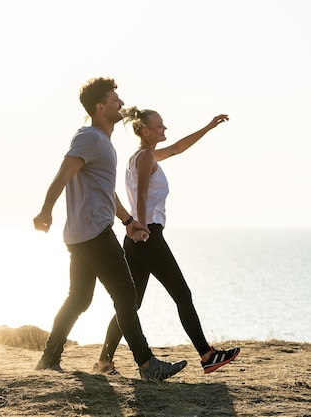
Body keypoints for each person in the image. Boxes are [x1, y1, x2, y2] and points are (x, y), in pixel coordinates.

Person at [33, 77, 188, 381]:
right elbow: (63, 173)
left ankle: (48, 359)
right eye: (114, 98)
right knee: (126, 294)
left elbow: (105, 190)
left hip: (82, 234)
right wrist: (45, 209)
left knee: (79, 299)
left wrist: (129, 221)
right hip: (93, 232)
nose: (120, 102)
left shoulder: (102, 142)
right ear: (99, 106)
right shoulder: (89, 138)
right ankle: (146, 364)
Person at [95, 107, 240, 375]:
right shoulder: (146, 156)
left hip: (138, 238)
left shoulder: (142, 156)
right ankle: (207, 355)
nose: (165, 129)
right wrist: (138, 225)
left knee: (130, 304)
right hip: (147, 235)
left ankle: (104, 362)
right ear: (146, 131)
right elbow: (140, 195)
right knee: (182, 295)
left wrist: (208, 126)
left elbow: (176, 148)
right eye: (160, 126)